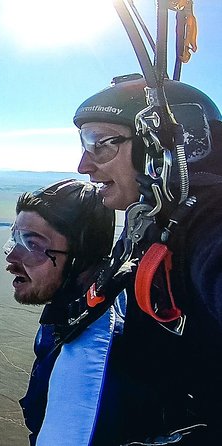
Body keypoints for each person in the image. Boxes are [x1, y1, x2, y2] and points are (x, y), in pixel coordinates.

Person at [72, 73, 222, 444]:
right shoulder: (153, 217)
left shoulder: (207, 221)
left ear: (161, 147)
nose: (83, 165)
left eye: (99, 144)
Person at [3, 179, 117, 445]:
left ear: (80, 258)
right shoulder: (74, 314)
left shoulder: (87, 364)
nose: (11, 260)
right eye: (14, 239)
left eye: (33, 246)